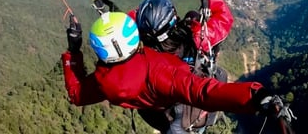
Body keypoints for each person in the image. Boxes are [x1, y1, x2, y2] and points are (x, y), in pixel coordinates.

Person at [60, 10, 288, 126]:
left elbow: (76, 93)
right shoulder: (158, 70)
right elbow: (204, 92)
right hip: (179, 112)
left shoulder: (102, 79)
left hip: (153, 115)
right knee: (215, 74)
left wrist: (73, 51)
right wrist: (255, 96)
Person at [134, 0, 233, 133]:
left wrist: (144, 16)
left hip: (163, 117)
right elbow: (224, 17)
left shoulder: (143, 55)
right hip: (195, 114)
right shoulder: (198, 38)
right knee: (193, 16)